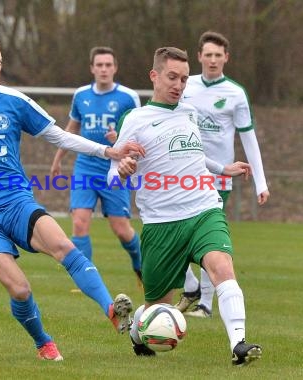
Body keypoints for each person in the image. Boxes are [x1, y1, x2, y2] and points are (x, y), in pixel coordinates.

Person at [0, 32, 144, 361]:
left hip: (17, 202)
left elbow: (59, 136)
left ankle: (111, 310)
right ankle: (43, 342)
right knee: (20, 289)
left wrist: (109, 151)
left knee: (65, 246)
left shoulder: (15, 102)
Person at [108, 46, 262, 365]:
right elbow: (112, 175)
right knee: (155, 312)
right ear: (155, 76)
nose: (179, 85)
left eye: (184, 79)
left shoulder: (189, 112)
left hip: (204, 209)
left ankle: (240, 344)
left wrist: (223, 168)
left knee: (221, 266)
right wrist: (121, 169)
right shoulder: (135, 119)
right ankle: (136, 330)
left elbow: (192, 155)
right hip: (162, 224)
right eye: (172, 77)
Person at [175, 31, 270, 319]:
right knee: (175, 230)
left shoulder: (235, 93)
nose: (213, 60)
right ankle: (190, 286)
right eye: (209, 54)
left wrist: (260, 182)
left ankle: (205, 303)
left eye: (219, 55)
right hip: (184, 171)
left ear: (226, 58)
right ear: (199, 56)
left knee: (207, 237)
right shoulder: (185, 86)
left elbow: (249, 137)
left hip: (219, 177)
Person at [50, 46, 143, 284]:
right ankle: (86, 280)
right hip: (85, 167)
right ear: (92, 68)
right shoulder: (81, 95)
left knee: (122, 230)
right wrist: (58, 159)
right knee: (79, 223)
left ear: (115, 68)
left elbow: (140, 134)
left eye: (108, 65)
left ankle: (140, 264)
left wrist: (119, 138)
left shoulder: (128, 97)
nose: (103, 69)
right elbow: (71, 131)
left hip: (114, 169)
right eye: (99, 65)